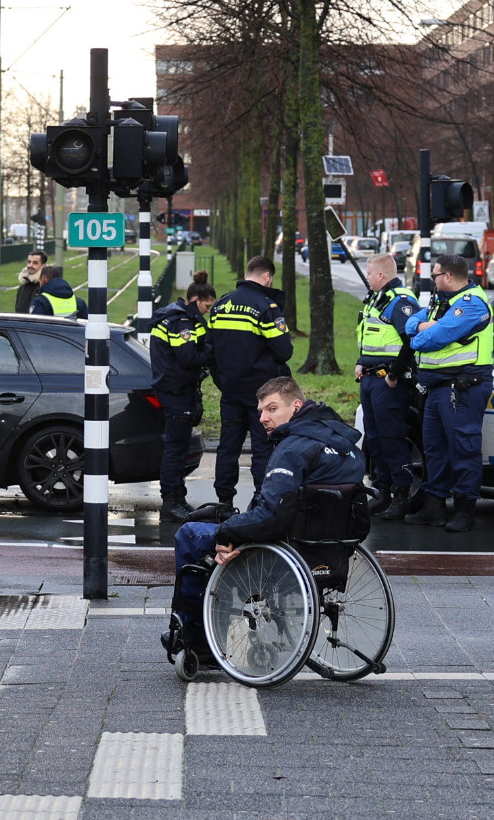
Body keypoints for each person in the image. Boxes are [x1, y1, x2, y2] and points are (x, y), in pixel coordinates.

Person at [165, 377, 365, 656]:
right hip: (330, 554)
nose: (262, 418)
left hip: (282, 553)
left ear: (296, 406)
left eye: (272, 409)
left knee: (192, 533)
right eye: (260, 411)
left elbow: (272, 516)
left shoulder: (292, 449)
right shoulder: (348, 448)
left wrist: (228, 534)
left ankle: (198, 642)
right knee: (220, 519)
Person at [399, 254, 494, 532]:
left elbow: (435, 338)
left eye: (435, 275)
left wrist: (420, 335)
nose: (433, 280)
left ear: (449, 277)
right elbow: (411, 324)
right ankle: (434, 507)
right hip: (437, 387)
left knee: (464, 449)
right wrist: (422, 327)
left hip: (462, 386)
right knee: (434, 450)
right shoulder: (441, 301)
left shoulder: (471, 304)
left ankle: (465, 511)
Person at [205, 256, 293, 516]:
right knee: (263, 447)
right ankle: (260, 501)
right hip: (261, 395)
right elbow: (284, 350)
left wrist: (223, 382)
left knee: (228, 447)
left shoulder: (220, 305)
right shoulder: (266, 307)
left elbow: (210, 352)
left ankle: (223, 503)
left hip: (230, 391)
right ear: (266, 276)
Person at [354, 253, 421, 519]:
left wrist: (394, 374)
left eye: (369, 273)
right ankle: (382, 491)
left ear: (381, 275)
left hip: (387, 381)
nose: (367, 277)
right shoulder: (377, 299)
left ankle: (401, 494)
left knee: (392, 438)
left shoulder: (400, 302)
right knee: (375, 437)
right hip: (370, 378)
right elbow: (369, 336)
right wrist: (361, 362)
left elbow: (411, 341)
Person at [149, 271, 218, 523]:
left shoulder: (173, 316)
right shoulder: (182, 322)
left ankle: (178, 498)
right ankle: (170, 502)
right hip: (176, 391)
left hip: (174, 388)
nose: (208, 311)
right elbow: (189, 358)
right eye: (207, 306)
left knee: (177, 448)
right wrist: (210, 349)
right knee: (175, 450)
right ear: (195, 300)